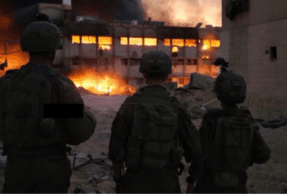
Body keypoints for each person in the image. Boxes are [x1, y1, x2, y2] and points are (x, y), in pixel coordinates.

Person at [0, 14, 97, 194]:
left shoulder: (5, 84)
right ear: (54, 49)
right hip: (51, 172)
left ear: (26, 47)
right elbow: (79, 132)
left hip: (16, 169)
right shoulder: (61, 85)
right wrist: (89, 116)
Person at [108, 50, 201, 194]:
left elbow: (115, 151)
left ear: (143, 73)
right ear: (167, 75)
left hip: (135, 184)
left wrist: (119, 180)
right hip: (168, 184)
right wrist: (190, 182)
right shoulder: (176, 108)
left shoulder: (129, 105)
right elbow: (196, 150)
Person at [189, 59, 271, 194]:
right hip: (237, 186)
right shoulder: (246, 119)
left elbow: (200, 155)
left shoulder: (211, 119)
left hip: (209, 186)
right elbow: (264, 154)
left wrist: (191, 180)